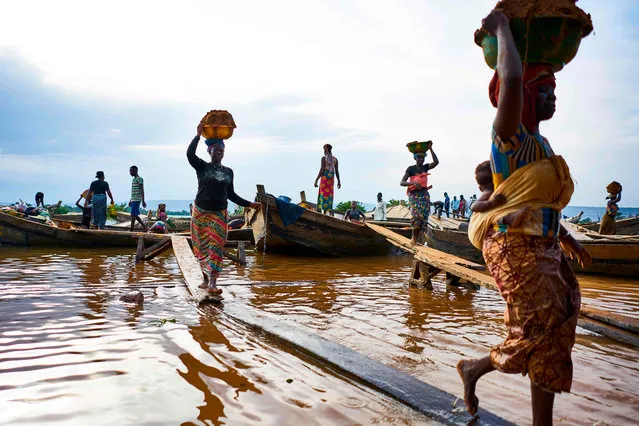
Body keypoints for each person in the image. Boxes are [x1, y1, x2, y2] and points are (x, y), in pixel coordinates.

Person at [459, 11, 591, 425]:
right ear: (528, 96)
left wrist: (566, 238)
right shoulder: (509, 138)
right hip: (513, 247)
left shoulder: (543, 145)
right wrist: (500, 27)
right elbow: (511, 80)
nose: (555, 97)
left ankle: (480, 373)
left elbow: (540, 203)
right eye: (547, 90)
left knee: (559, 325)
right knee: (540, 327)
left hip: (545, 245)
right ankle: (482, 375)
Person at [188, 121, 262, 296]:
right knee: (201, 247)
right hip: (200, 214)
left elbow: (232, 195)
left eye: (222, 150)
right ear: (210, 151)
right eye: (216, 150)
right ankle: (205, 279)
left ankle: (213, 283)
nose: (219, 152)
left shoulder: (229, 172)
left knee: (216, 246)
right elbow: (190, 154)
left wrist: (249, 204)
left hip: (219, 215)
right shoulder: (202, 167)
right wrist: (198, 135)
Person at [470, 161, 529, 227]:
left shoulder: (488, 191)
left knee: (490, 217)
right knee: (492, 216)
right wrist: (491, 203)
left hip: (499, 214)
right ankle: (510, 218)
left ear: (480, 188)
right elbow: (474, 206)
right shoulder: (495, 190)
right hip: (499, 214)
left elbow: (473, 206)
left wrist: (491, 203)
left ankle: (510, 219)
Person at [400, 145, 439, 245]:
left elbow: (436, 162)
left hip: (424, 194)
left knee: (423, 217)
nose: (420, 159)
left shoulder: (425, 167)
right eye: (418, 158)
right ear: (415, 158)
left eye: (422, 158)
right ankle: (413, 238)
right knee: (416, 216)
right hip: (414, 195)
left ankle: (419, 240)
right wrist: (413, 183)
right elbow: (402, 182)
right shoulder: (411, 169)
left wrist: (430, 148)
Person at [314, 144, 341, 215]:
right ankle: (328, 211)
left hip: (325, 177)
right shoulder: (335, 159)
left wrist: (316, 180)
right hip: (331, 177)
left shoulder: (324, 158)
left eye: (324, 149)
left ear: (326, 149)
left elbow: (322, 170)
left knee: (323, 194)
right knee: (329, 194)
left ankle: (324, 212)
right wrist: (339, 181)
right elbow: (337, 171)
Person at [129, 166, 148, 232]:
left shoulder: (140, 179)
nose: (130, 172)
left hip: (137, 199)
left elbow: (142, 190)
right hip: (133, 199)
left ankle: (132, 229)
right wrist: (130, 200)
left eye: (131, 171)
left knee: (133, 214)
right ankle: (144, 227)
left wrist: (143, 200)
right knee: (134, 214)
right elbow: (133, 191)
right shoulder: (133, 179)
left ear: (135, 171)